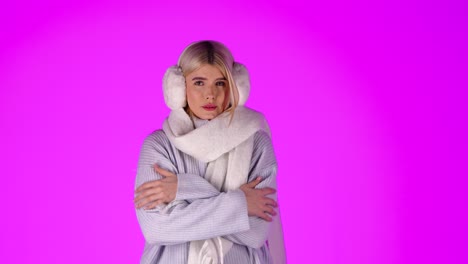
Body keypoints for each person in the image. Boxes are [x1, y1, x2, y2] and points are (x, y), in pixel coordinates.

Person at [133, 40, 286, 264]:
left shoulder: (257, 143)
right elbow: (158, 229)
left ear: (235, 87)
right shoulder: (158, 146)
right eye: (199, 82)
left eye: (221, 83)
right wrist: (241, 203)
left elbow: (254, 233)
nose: (210, 95)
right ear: (179, 88)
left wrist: (182, 189)